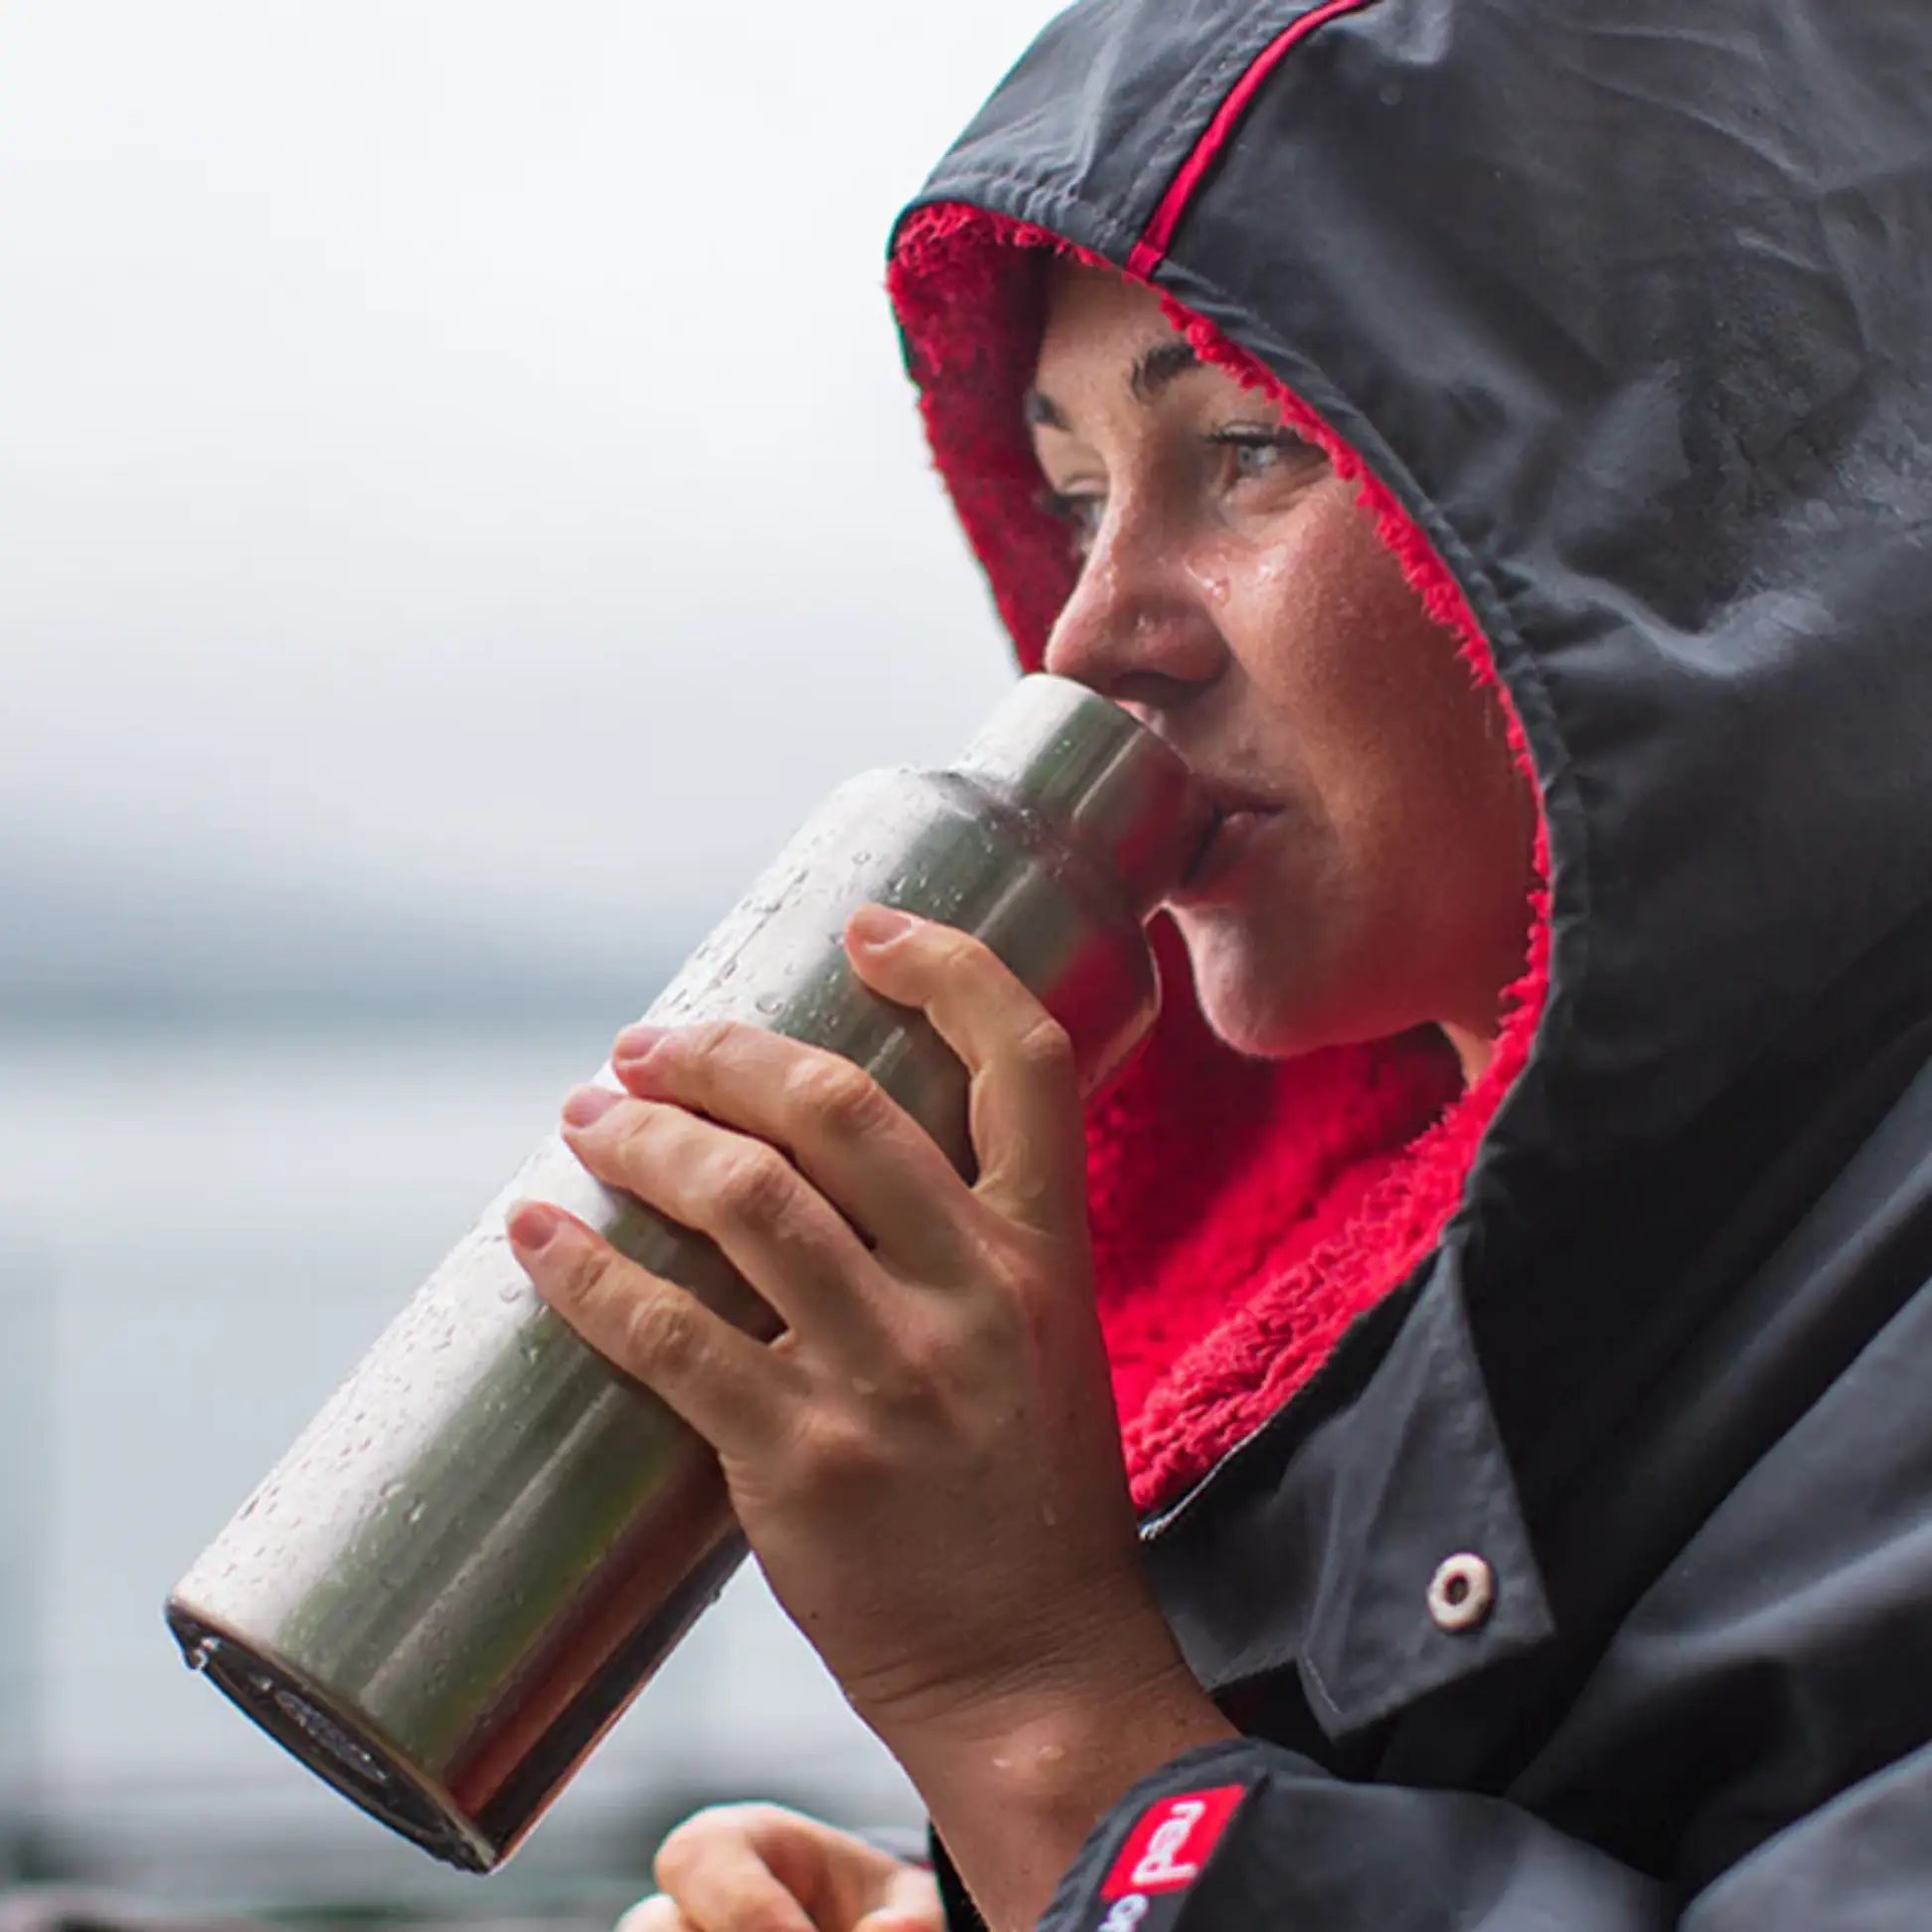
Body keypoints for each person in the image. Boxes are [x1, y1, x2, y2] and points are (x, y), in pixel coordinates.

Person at [505, 2, 1932, 1926]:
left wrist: (1048, 1733)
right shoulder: (1388, 1274)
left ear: (1697, 487)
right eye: (1076, 491)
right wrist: (1022, 1894)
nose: (1092, 641)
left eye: (1252, 448)